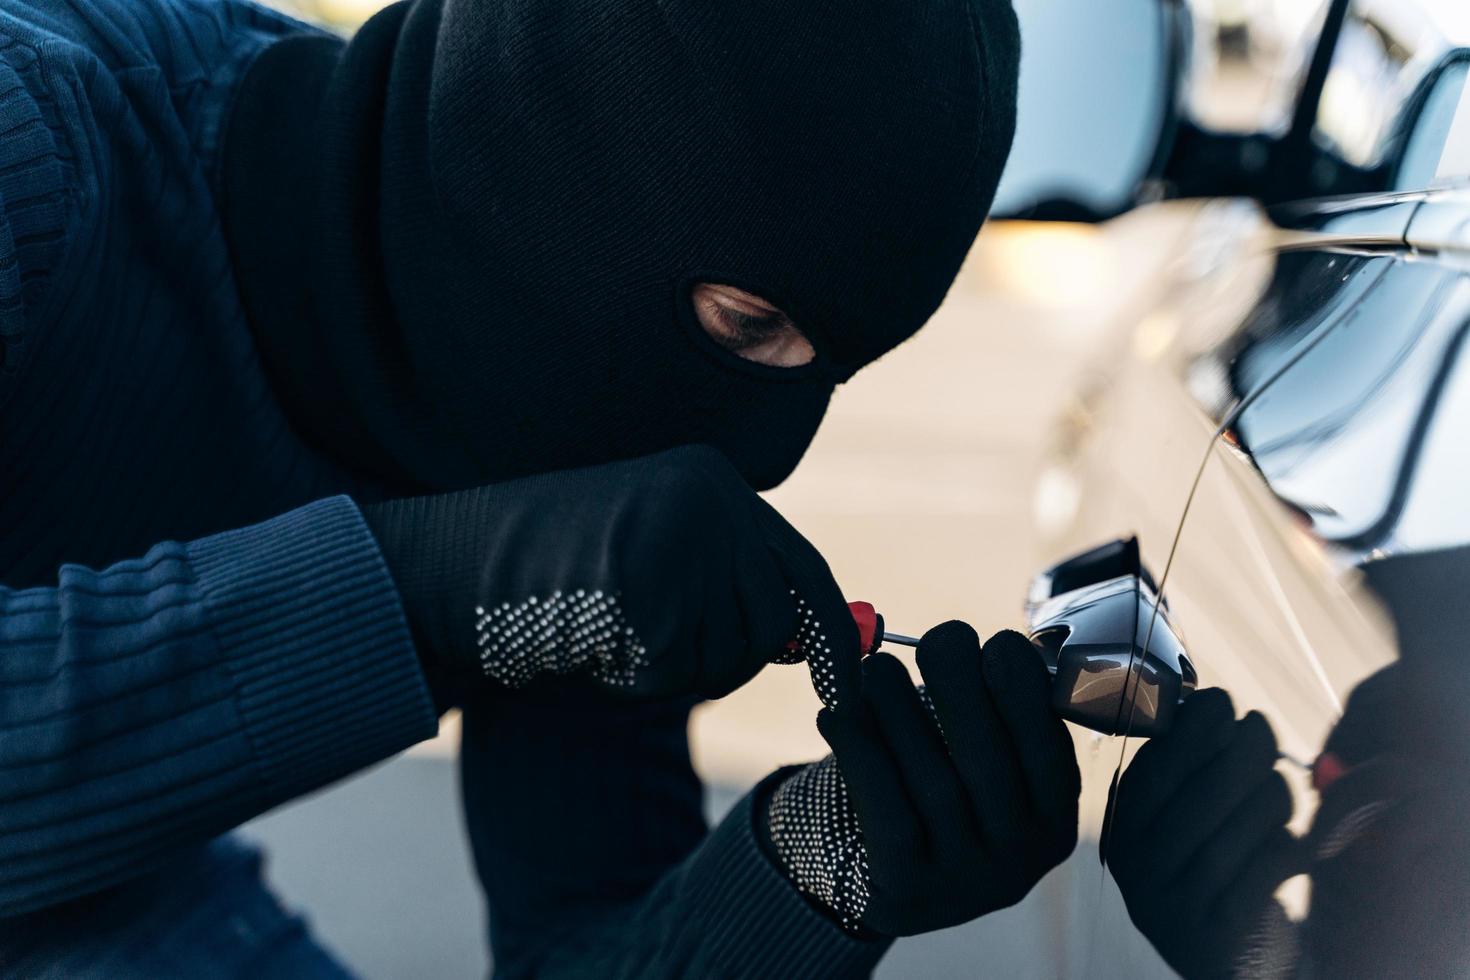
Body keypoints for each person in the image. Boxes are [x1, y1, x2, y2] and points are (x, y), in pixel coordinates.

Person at [0, 0, 1080, 975]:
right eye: (747, 324)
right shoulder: (29, 135)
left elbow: (579, 934)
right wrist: (428, 593)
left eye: (833, 366)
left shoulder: (571, 414)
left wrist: (818, 868)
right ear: (554, 144)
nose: (768, 450)